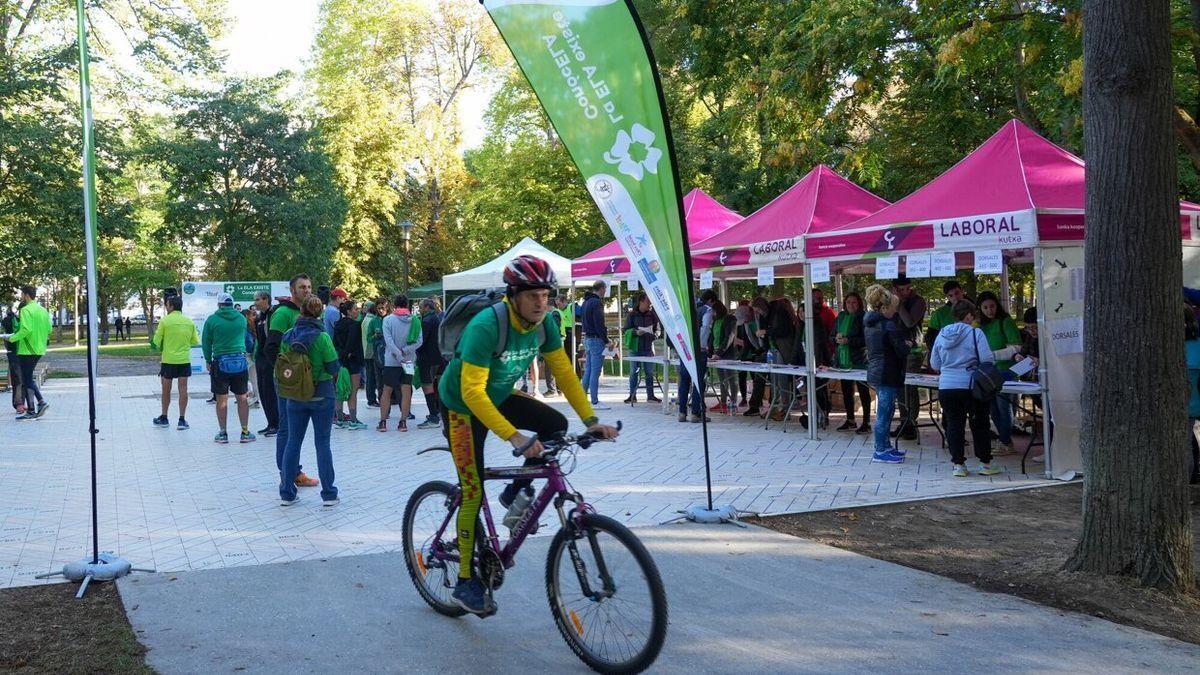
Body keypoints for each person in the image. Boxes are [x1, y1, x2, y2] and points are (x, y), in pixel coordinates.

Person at [437, 254, 618, 615]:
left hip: (499, 395)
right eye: (533, 295)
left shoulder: (546, 323)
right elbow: (473, 393)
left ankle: (513, 492)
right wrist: (515, 437)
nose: (541, 302)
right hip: (461, 405)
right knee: (472, 491)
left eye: (546, 294)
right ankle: (464, 581)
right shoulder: (486, 326)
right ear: (513, 294)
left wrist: (590, 420)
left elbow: (565, 374)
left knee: (556, 426)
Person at [278, 296, 341, 507]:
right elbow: (333, 367)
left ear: (301, 312)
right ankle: (329, 494)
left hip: (294, 395)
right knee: (322, 444)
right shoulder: (322, 337)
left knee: (293, 442)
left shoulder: (288, 336)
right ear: (319, 314)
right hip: (322, 394)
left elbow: (283, 364)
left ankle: (287, 492)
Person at [930, 300, 1002, 477]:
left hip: (947, 386)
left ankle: (958, 465)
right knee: (980, 424)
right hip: (972, 386)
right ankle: (985, 464)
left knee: (954, 425)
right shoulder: (976, 333)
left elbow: (934, 363)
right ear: (969, 315)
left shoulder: (942, 334)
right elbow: (987, 359)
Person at [264, 274, 319, 489]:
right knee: (287, 429)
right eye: (302, 287)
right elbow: (271, 348)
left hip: (305, 383)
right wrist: (286, 373)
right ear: (292, 290)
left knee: (297, 430)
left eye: (308, 286)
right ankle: (286, 475)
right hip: (288, 383)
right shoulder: (283, 313)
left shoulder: (311, 314)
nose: (306, 290)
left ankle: (293, 471)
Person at [201, 293, 256, 444]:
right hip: (240, 362)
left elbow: (206, 342)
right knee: (242, 398)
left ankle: (223, 433)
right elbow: (247, 338)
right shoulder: (240, 318)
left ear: (219, 305)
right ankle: (245, 432)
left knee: (221, 400)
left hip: (220, 363)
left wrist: (207, 359)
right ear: (232, 304)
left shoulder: (212, 320)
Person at [864, 285, 908, 463]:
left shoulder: (869, 323)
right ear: (884, 308)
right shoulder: (888, 325)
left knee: (886, 411)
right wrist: (909, 345)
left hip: (877, 371)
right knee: (884, 412)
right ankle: (880, 450)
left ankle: (885, 446)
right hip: (887, 372)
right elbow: (901, 350)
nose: (895, 311)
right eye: (893, 308)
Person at [977, 291, 1022, 455]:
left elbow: (1016, 346)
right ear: (980, 309)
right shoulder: (980, 326)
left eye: (992, 306)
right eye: (985, 307)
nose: (990, 310)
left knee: (1004, 407)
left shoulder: (1005, 321)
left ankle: (1006, 442)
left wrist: (994, 355)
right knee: (993, 409)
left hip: (1007, 371)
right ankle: (1004, 440)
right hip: (988, 372)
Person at [150, 294, 199, 429]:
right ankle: (182, 420)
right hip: (184, 360)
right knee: (183, 390)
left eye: (167, 304)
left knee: (166, 390)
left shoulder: (165, 321)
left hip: (168, 361)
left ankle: (164, 417)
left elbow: (155, 342)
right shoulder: (189, 321)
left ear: (171, 306)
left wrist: (156, 344)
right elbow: (195, 341)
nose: (166, 306)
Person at [2, 287, 50, 419]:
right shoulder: (43, 310)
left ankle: (41, 402)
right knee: (28, 378)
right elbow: (49, 328)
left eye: (22, 294)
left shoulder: (26, 310)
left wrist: (11, 338)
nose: (21, 296)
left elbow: (26, 330)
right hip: (39, 348)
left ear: (27, 295)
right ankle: (31, 410)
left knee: (27, 379)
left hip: (27, 349)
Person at [891, 275, 926, 440]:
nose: (905, 292)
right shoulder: (892, 301)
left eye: (907, 289)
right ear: (895, 289)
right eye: (901, 290)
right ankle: (904, 421)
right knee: (899, 388)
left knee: (910, 388)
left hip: (913, 350)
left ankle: (911, 423)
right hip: (897, 349)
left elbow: (909, 322)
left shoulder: (918, 301)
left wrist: (898, 305)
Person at [380, 294, 421, 432]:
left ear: (394, 305)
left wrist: (397, 354)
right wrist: (405, 351)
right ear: (407, 305)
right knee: (406, 390)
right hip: (409, 361)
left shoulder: (388, 320)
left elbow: (388, 340)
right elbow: (419, 341)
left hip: (391, 361)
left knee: (387, 390)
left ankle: (383, 422)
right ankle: (403, 422)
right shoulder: (415, 320)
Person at [833, 291, 871, 434]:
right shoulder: (841, 317)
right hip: (843, 360)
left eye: (854, 302)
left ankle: (866, 422)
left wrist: (849, 341)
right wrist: (836, 339)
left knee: (863, 391)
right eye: (848, 302)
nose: (851, 305)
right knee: (846, 391)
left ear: (859, 303)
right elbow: (831, 335)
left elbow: (866, 339)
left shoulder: (863, 317)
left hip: (859, 360)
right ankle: (850, 420)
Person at [678, 290, 715, 422]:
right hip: (699, 350)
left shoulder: (685, 310)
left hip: (685, 350)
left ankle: (681, 412)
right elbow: (705, 328)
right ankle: (695, 413)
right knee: (698, 381)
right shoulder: (707, 310)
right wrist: (702, 346)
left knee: (684, 381)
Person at [333, 300, 368, 430]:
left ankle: (340, 418)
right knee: (353, 392)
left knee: (340, 390)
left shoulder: (338, 324)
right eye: (355, 309)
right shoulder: (354, 325)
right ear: (348, 311)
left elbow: (335, 342)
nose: (357, 311)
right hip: (353, 361)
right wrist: (348, 353)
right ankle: (353, 420)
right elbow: (352, 342)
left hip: (340, 362)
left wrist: (341, 354)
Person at [623, 292, 660, 404]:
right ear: (641, 302)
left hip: (648, 348)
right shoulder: (632, 315)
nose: (650, 304)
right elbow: (626, 330)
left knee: (649, 372)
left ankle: (651, 395)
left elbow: (657, 329)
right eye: (648, 301)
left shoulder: (652, 314)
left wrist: (656, 334)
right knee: (634, 372)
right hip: (635, 349)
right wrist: (635, 332)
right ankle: (632, 395)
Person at [580, 280, 611, 410]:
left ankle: (582, 399)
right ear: (602, 289)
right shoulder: (597, 303)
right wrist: (606, 340)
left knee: (588, 370)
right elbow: (599, 324)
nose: (605, 292)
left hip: (587, 338)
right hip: (597, 340)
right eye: (605, 289)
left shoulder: (585, 302)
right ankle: (595, 401)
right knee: (595, 372)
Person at [416, 297, 446, 429]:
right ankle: (439, 413)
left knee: (427, 386)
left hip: (427, 359)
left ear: (427, 308)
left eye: (421, 307)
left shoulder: (427, 321)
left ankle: (434, 417)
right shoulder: (438, 318)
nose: (420, 310)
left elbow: (421, 342)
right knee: (437, 386)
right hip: (438, 357)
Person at [252, 292, 279, 436]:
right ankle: (270, 422)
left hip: (269, 358)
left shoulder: (273, 314)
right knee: (262, 390)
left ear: (265, 299)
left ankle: (277, 423)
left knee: (270, 392)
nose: (255, 303)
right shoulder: (258, 318)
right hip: (261, 358)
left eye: (257, 300)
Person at [743, 297, 772, 416]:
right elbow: (753, 338)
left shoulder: (767, 316)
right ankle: (755, 405)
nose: (756, 312)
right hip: (763, 350)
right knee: (758, 378)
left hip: (771, 350)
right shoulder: (755, 318)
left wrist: (764, 333)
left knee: (773, 379)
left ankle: (773, 405)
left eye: (757, 309)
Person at [709, 300, 739, 413]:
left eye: (713, 311)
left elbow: (729, 337)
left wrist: (720, 352)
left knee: (731, 378)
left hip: (727, 354)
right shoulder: (716, 321)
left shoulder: (730, 319)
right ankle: (723, 402)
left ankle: (734, 402)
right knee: (722, 380)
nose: (712, 313)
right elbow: (712, 337)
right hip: (717, 353)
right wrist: (711, 351)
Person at [924, 280, 966, 352]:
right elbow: (930, 337)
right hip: (946, 354)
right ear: (947, 297)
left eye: (957, 293)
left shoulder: (973, 309)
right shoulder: (939, 313)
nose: (955, 297)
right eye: (951, 295)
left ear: (962, 291)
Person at [1184, 305, 1199, 484]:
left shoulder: (1171, 349)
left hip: (1186, 405)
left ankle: (1184, 487)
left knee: (1184, 446)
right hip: (1193, 403)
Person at [2, 305, 24, 414]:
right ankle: (19, 403)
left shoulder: (22, 319)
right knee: (18, 378)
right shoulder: (10, 320)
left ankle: (21, 403)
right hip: (15, 351)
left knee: (20, 378)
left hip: (18, 351)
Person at [367, 299, 388, 408]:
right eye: (379, 308)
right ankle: (383, 406)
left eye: (383, 308)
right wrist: (375, 336)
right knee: (380, 383)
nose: (381, 310)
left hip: (391, 356)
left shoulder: (391, 319)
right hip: (378, 356)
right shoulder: (373, 321)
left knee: (393, 383)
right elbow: (368, 338)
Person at [360, 300, 379, 408]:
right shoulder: (370, 321)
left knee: (370, 376)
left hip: (366, 351)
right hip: (370, 352)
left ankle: (371, 399)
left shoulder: (365, 319)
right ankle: (371, 400)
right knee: (371, 376)